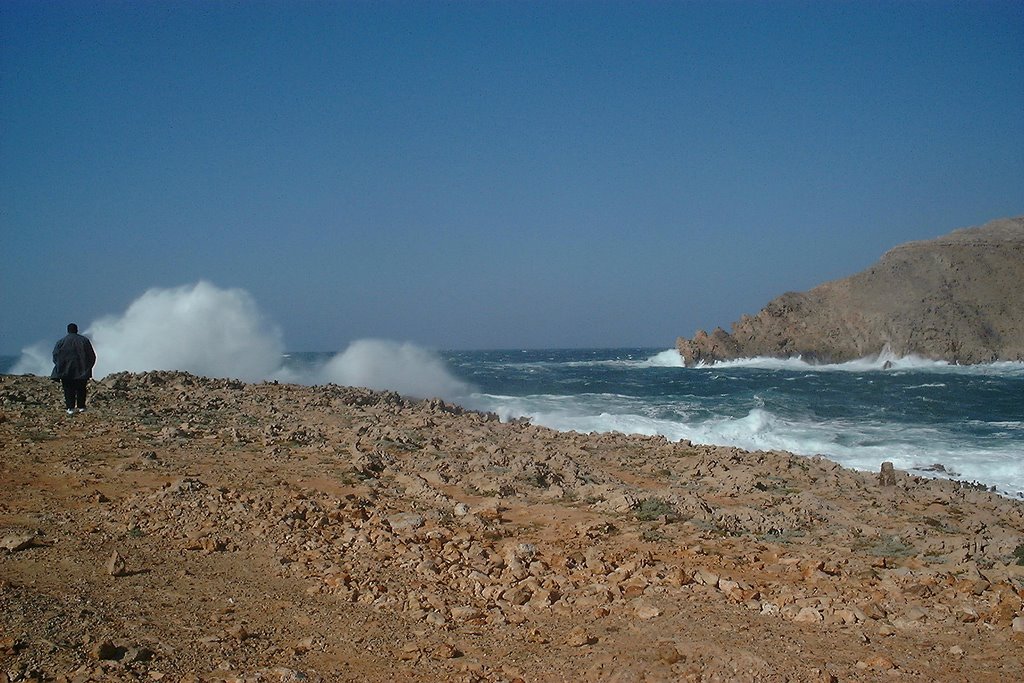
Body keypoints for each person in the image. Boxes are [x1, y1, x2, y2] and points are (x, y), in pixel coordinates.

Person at [51, 323, 97, 415]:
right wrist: (88, 367)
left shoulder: (61, 342)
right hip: (82, 370)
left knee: (68, 389)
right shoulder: (84, 341)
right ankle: (81, 407)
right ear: (77, 330)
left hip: (65, 370)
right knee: (81, 389)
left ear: (68, 330)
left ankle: (70, 408)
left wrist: (60, 366)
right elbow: (92, 356)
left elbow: (55, 356)